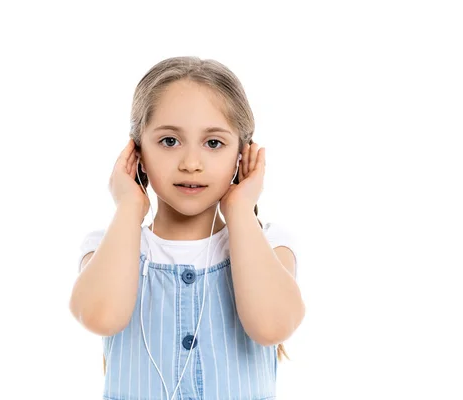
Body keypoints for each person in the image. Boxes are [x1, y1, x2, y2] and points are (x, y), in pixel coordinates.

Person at [69, 56, 305, 400]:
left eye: (213, 143)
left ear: (242, 154)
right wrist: (130, 206)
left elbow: (273, 325)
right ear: (137, 153)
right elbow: (100, 316)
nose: (191, 164)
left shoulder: (269, 246)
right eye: (169, 141)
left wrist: (239, 209)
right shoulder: (112, 247)